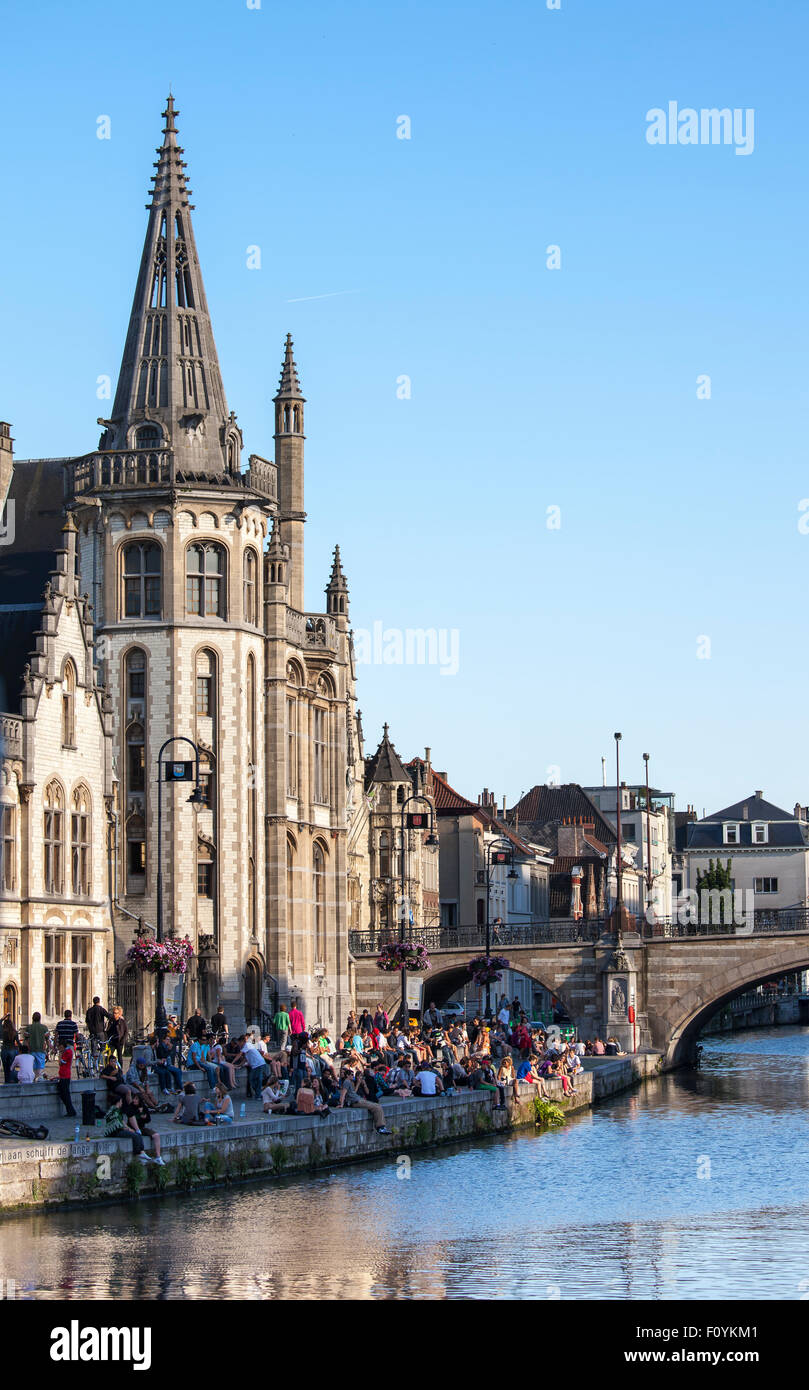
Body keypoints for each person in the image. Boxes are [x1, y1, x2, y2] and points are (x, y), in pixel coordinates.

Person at [337, 1066, 389, 1133]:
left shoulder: (349, 1082)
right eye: (351, 1075)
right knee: (377, 1107)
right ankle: (380, 1127)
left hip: (358, 1099)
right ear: (347, 1075)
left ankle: (382, 1127)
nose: (353, 1076)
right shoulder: (346, 1082)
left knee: (377, 1106)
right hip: (356, 1101)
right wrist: (341, 1104)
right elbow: (343, 1093)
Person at [55, 1040, 77, 1116]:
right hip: (64, 1075)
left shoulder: (67, 1052)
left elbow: (61, 1062)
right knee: (64, 1093)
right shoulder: (68, 1052)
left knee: (65, 1094)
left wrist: (60, 1054)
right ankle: (70, 1110)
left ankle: (71, 1111)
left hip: (65, 1075)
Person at [27, 1012, 48, 1081]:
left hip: (31, 1050)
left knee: (32, 1067)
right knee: (40, 1068)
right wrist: (51, 1047)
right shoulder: (44, 1028)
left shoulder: (29, 1027)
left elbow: (26, 1040)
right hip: (41, 1050)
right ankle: (39, 1080)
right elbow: (47, 1040)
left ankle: (33, 1080)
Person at [1, 1014, 19, 1083]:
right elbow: (18, 1042)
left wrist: (3, 1018)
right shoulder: (14, 1032)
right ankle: (11, 1081)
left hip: (4, 1050)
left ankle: (6, 1082)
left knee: (5, 1068)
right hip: (12, 1050)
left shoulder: (3, 1032)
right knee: (12, 1068)